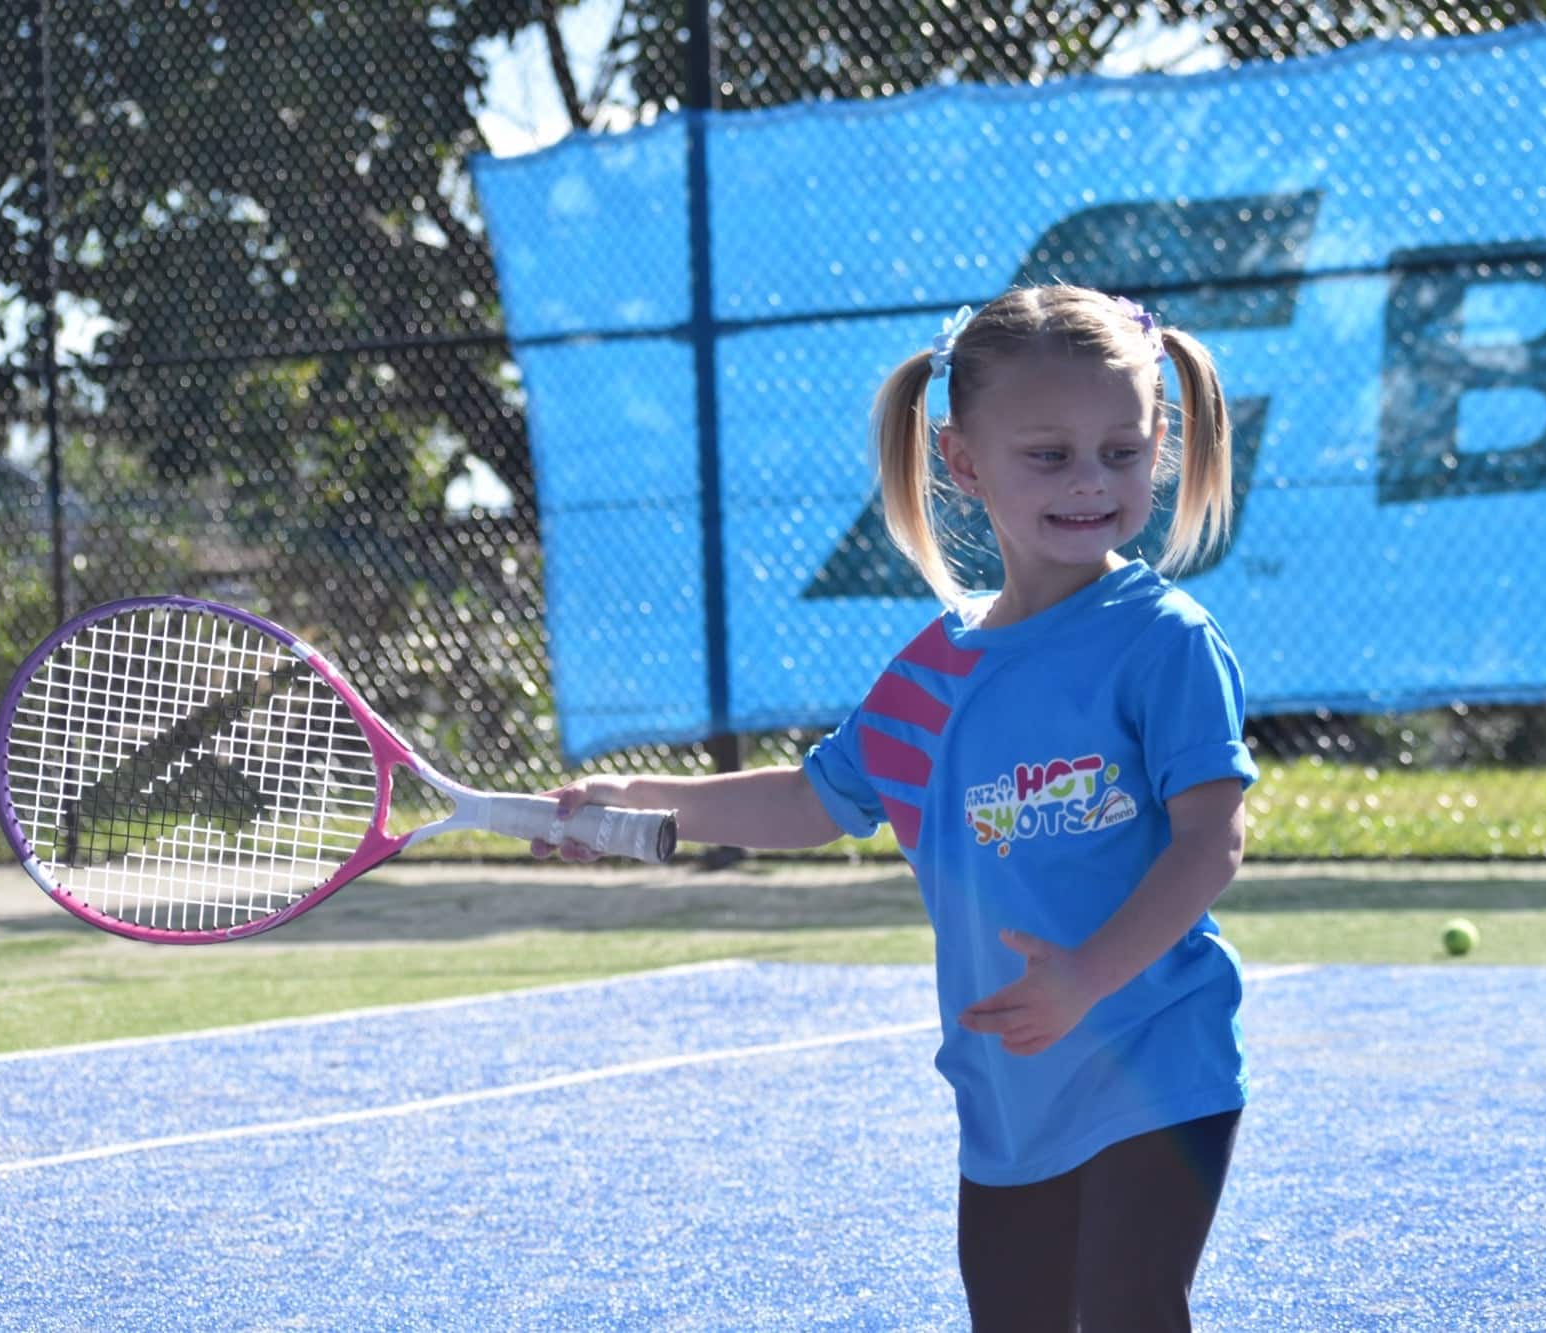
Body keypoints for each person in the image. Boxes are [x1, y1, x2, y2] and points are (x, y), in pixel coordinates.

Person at [533, 283, 1258, 1332]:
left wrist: (1087, 979)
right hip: (1005, 1091)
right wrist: (639, 801)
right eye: (1047, 455)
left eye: (1122, 450)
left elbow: (1210, 840)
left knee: (1128, 1309)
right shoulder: (927, 676)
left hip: (1158, 1059)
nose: (1091, 482)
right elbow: (809, 800)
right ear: (962, 462)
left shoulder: (1164, 642)